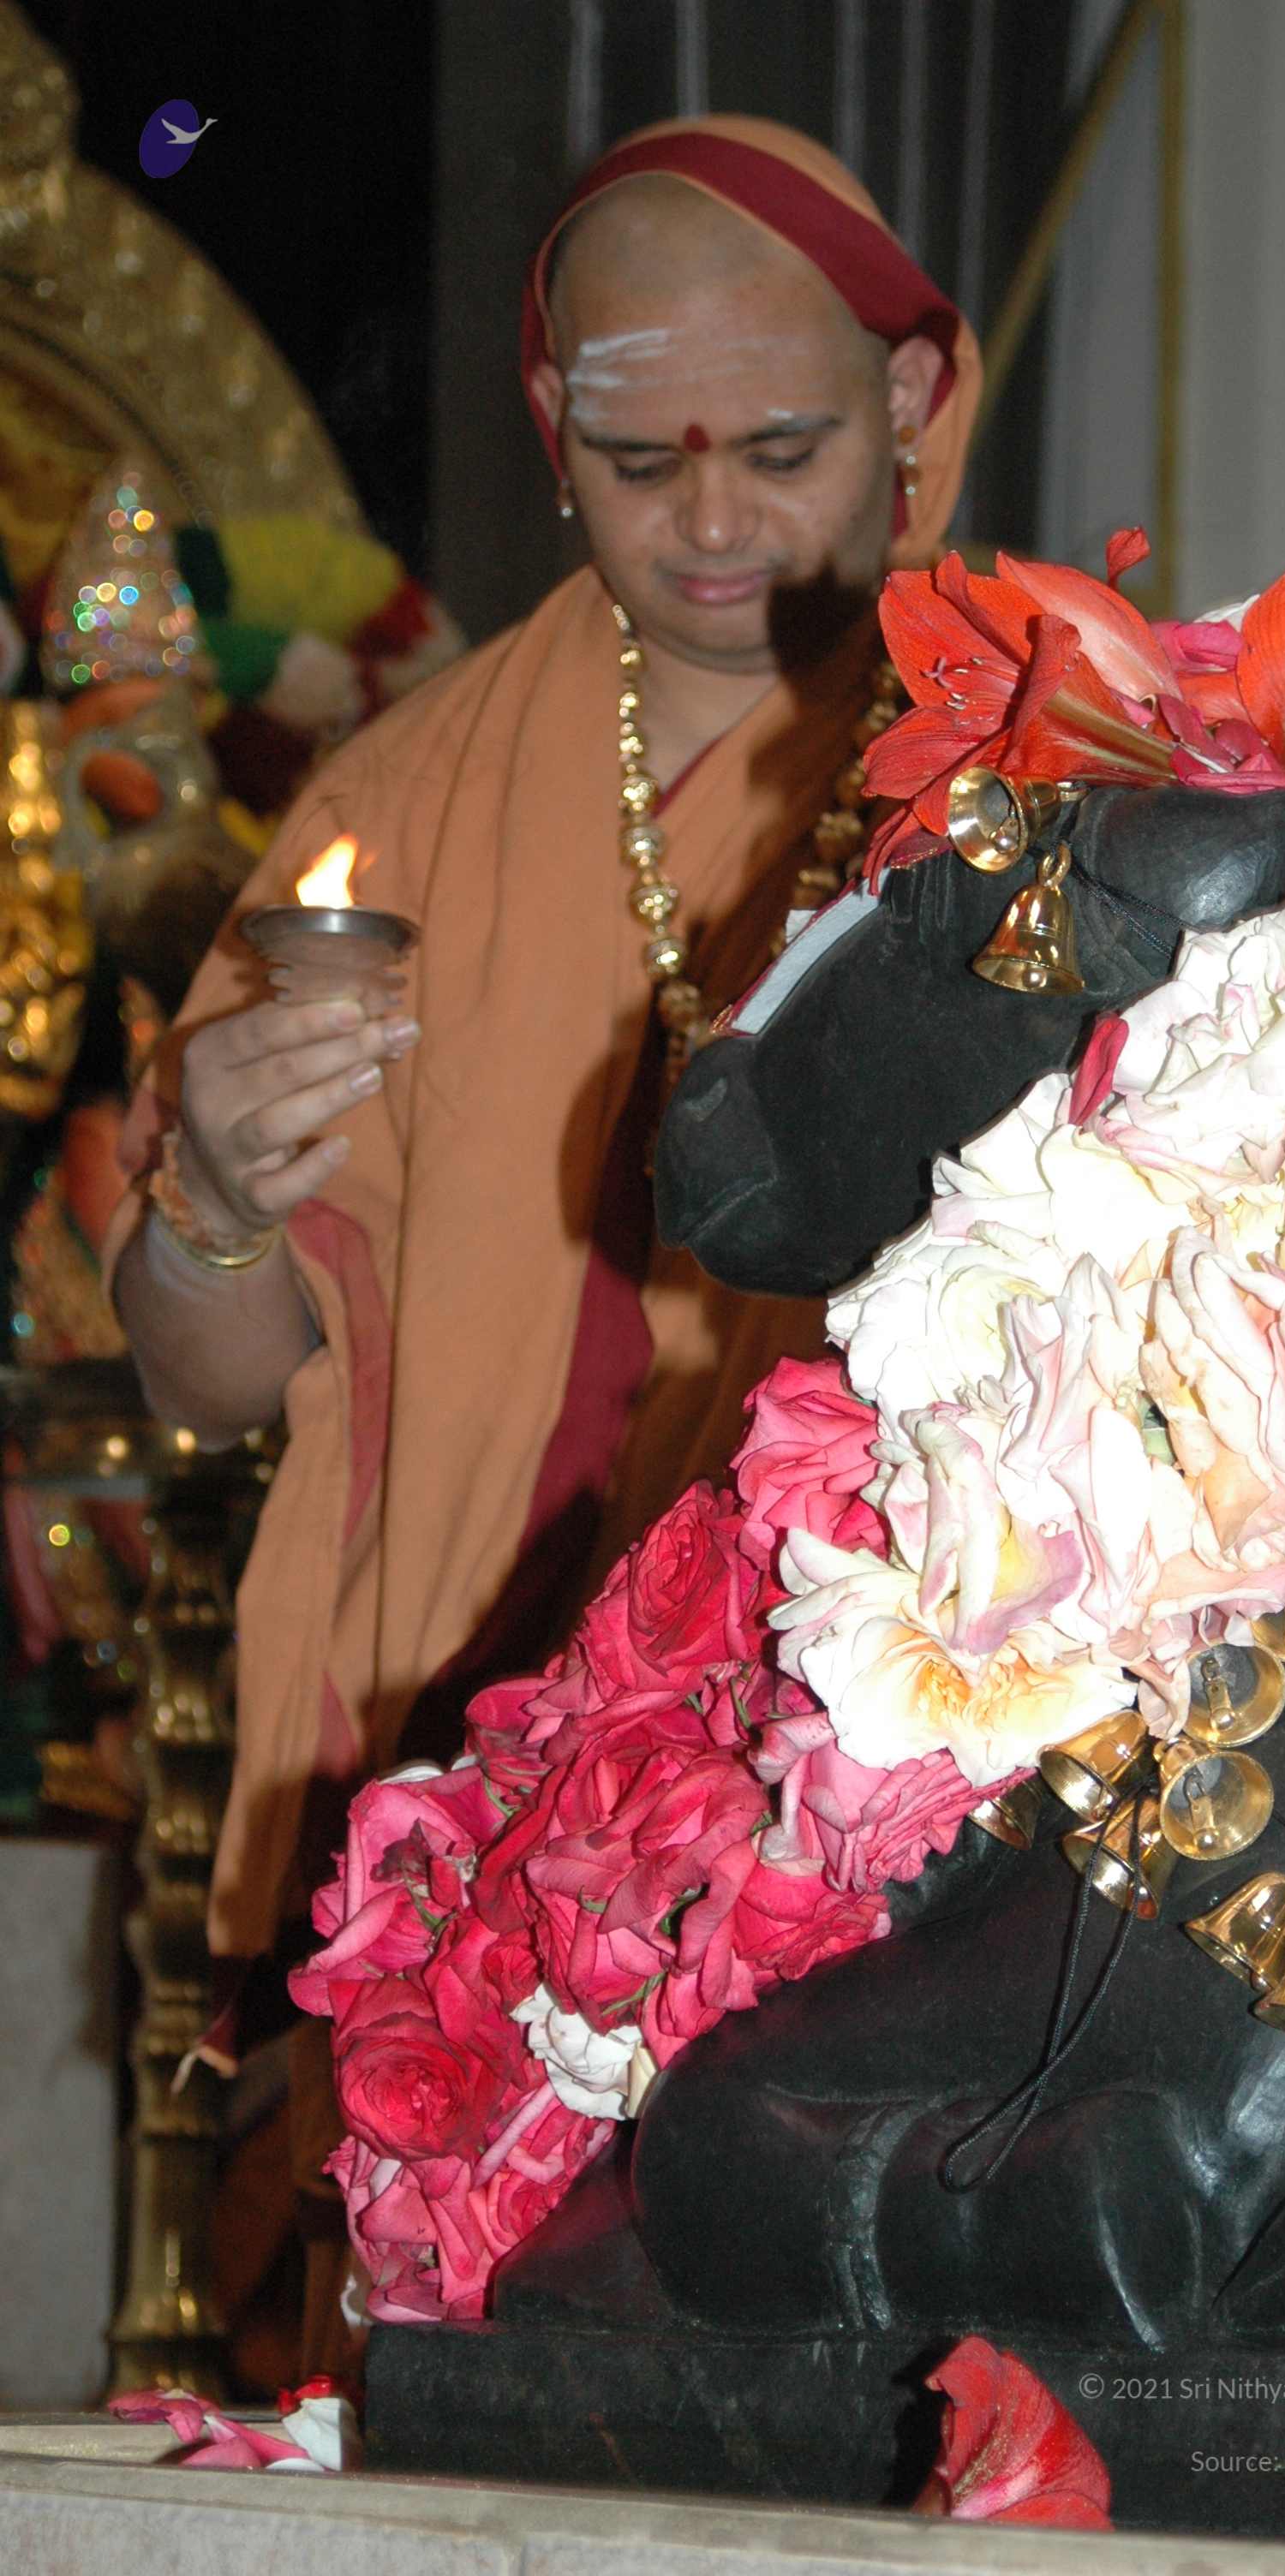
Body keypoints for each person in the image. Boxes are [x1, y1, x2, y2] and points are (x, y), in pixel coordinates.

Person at [105, 115, 980, 1978]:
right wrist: (217, 1208)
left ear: (909, 398)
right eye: (639, 462)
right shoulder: (405, 809)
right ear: (548, 421)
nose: (715, 525)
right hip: (447, 1788)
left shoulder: (1036, 762)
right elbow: (208, 1385)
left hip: (879, 1782)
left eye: (784, 452)